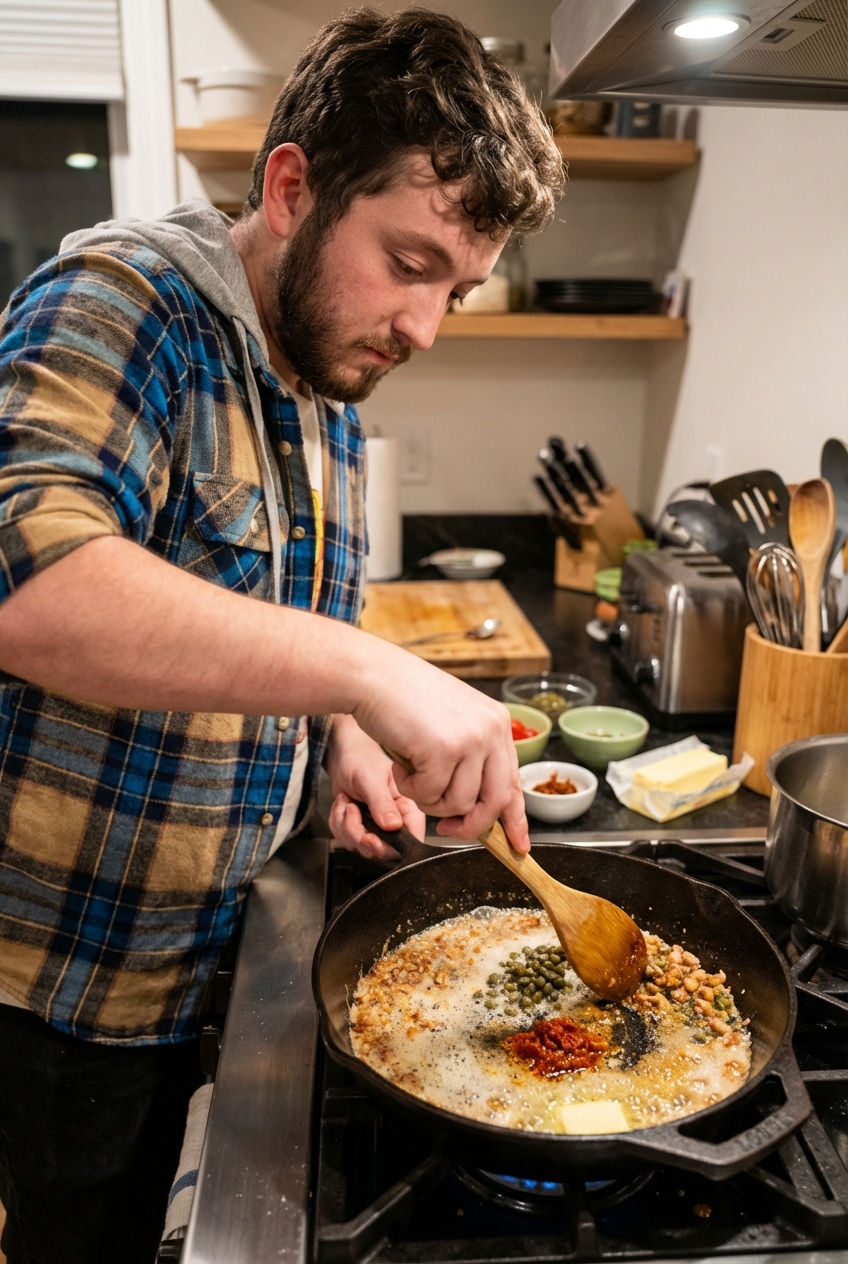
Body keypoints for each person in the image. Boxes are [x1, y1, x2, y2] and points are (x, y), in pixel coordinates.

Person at [0, 8, 563, 1261]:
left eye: (456, 291)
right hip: (71, 988)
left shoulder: (321, 375)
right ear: (292, 187)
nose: (425, 327)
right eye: (409, 263)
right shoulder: (121, 302)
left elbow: (268, 626)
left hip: (227, 948)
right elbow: (28, 583)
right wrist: (368, 671)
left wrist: (338, 732)